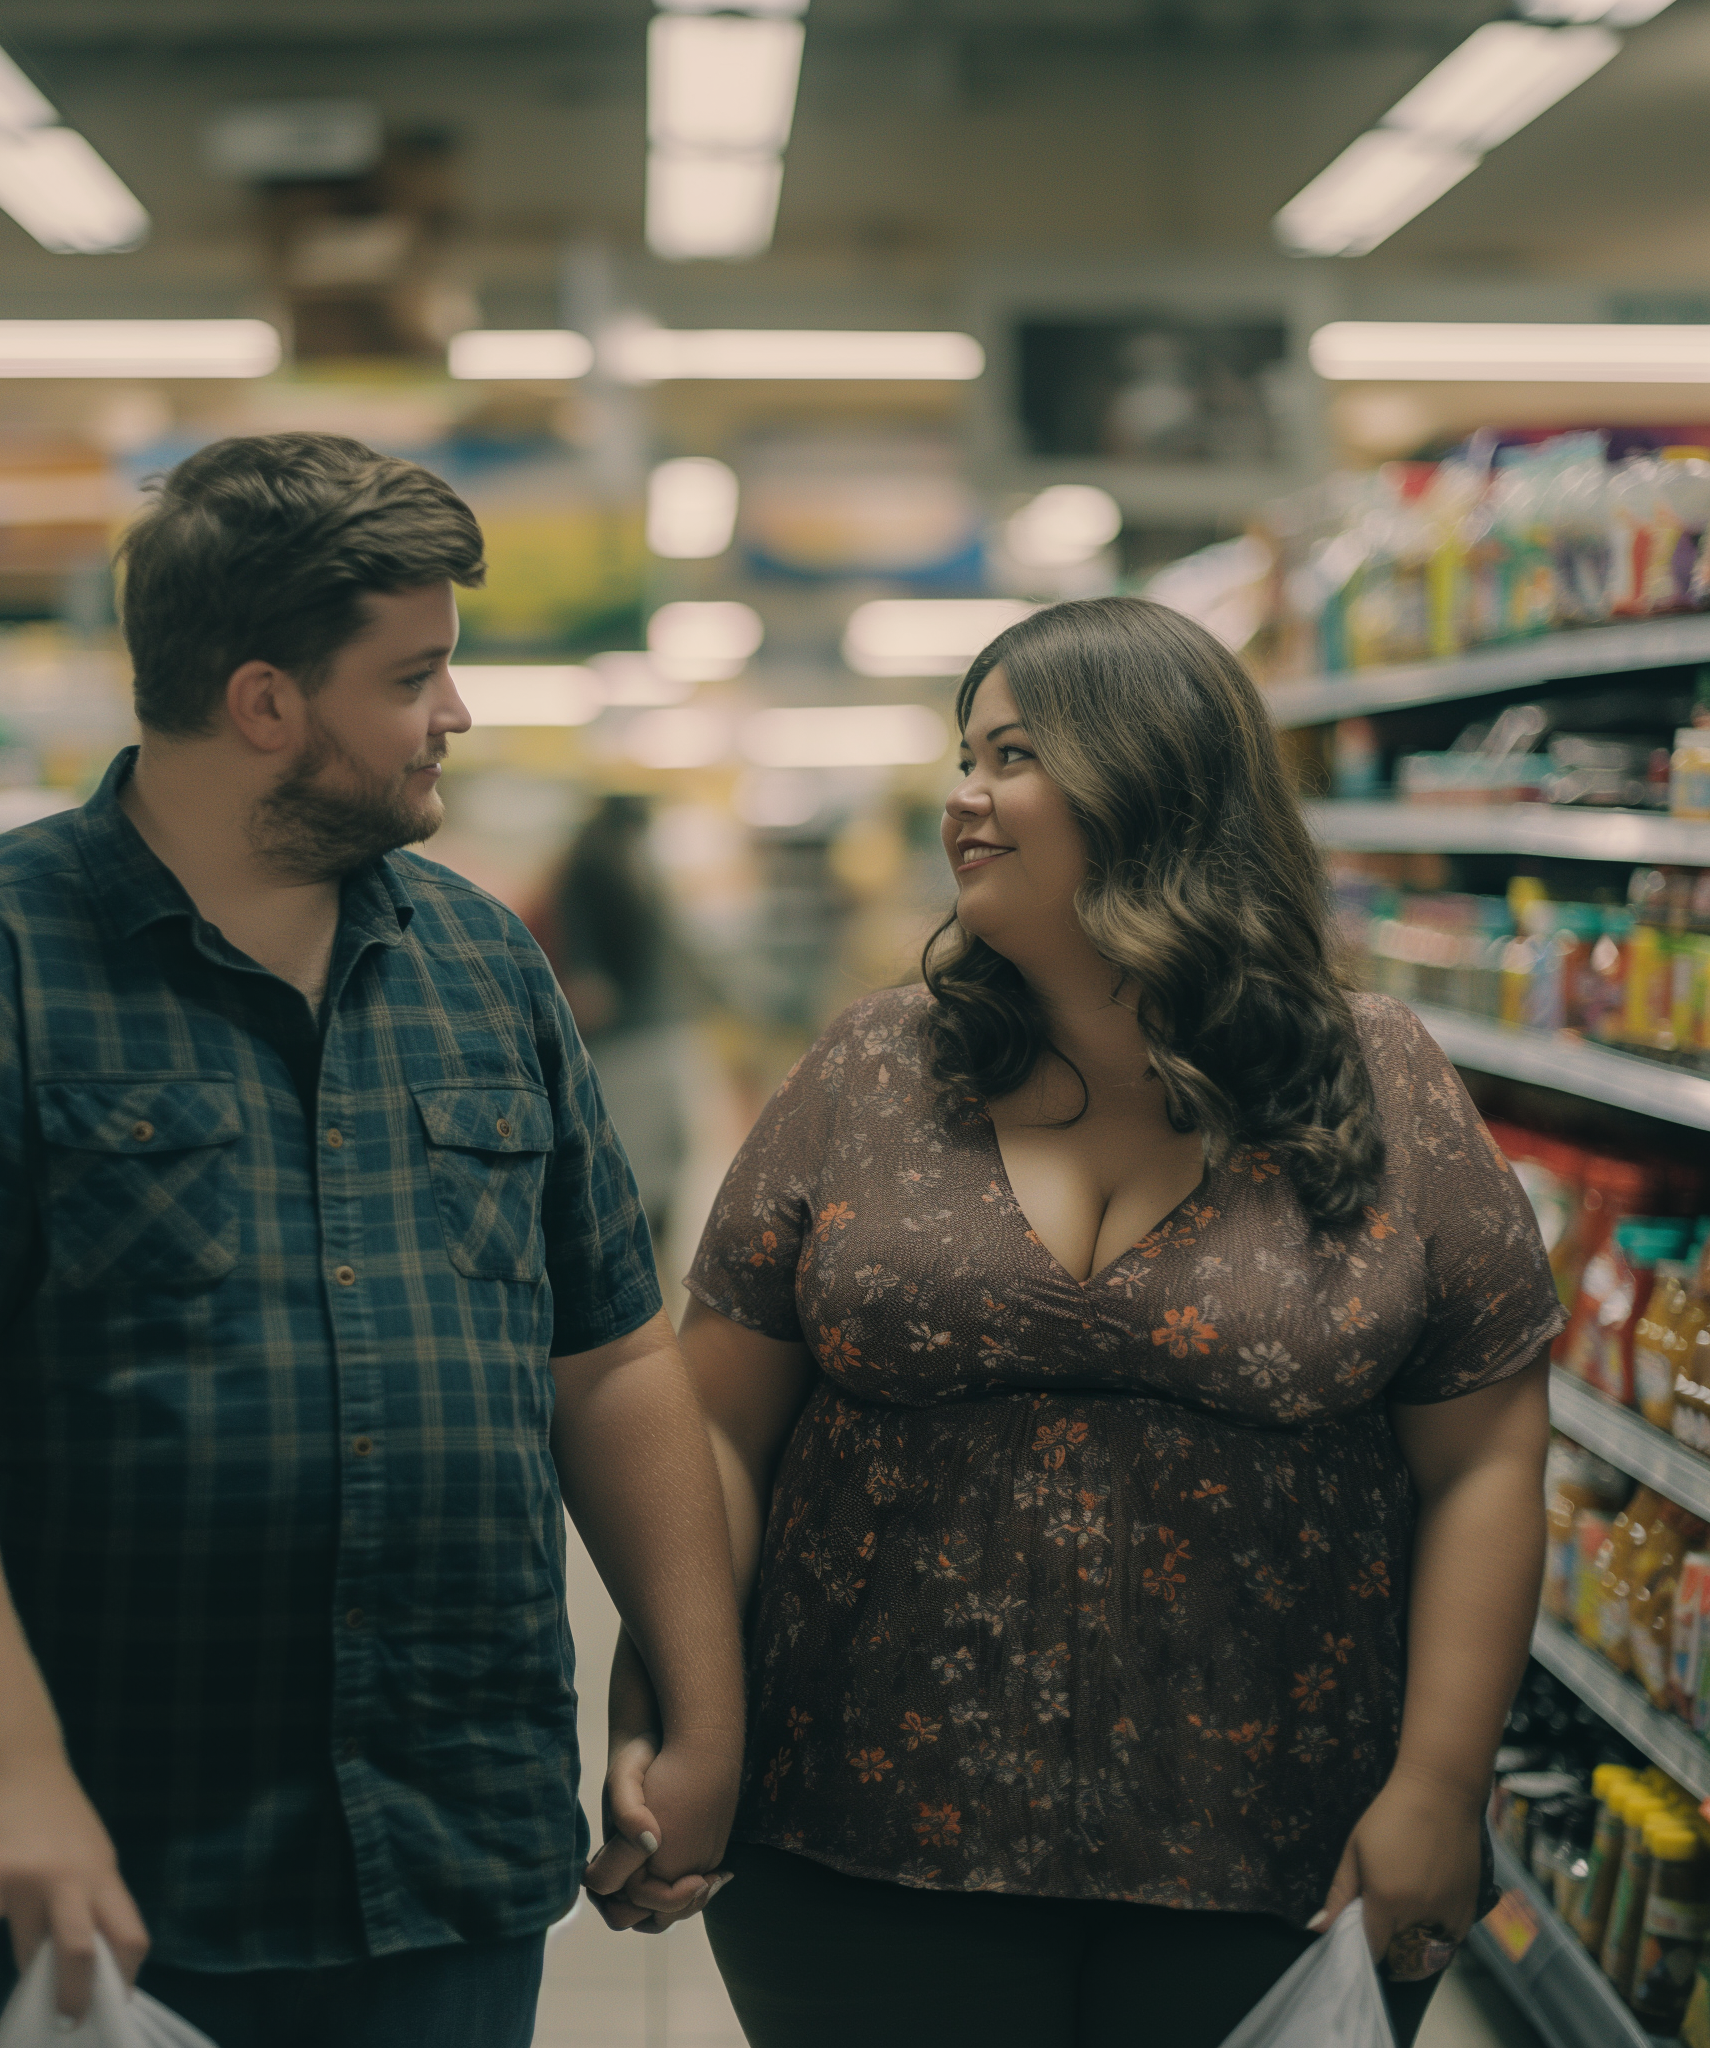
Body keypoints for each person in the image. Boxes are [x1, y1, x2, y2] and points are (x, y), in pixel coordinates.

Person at [0, 433, 743, 2048]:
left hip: (449, 1845)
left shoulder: (484, 969)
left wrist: (699, 1697)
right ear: (267, 702)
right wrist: (8, 1768)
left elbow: (613, 1352)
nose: (457, 712)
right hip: (105, 1864)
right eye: (414, 672)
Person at [593, 596, 1560, 2047]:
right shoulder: (875, 1066)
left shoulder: (1378, 1080)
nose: (960, 799)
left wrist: (1438, 1784)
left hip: (1273, 1849)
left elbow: (1484, 1453)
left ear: (1152, 781)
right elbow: (716, 1425)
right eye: (962, 756)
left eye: (1012, 755)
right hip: (853, 1835)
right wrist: (682, 1723)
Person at [542, 794, 700, 1253]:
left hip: (639, 1037)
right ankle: (642, 1257)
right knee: (647, 1161)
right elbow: (591, 986)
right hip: (638, 1042)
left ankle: (642, 1254)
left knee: (644, 1159)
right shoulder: (603, 869)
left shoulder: (587, 866)